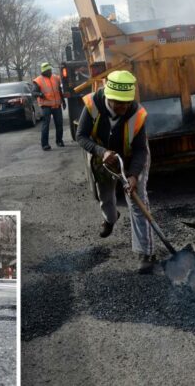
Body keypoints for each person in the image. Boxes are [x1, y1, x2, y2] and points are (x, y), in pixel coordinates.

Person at [76, 70, 156, 274]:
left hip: (132, 156)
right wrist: (101, 152)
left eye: (126, 103)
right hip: (103, 154)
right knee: (105, 194)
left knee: (138, 201)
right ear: (108, 97)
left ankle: (145, 253)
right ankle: (110, 219)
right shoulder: (92, 104)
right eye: (118, 102)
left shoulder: (137, 114)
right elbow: (81, 136)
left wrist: (133, 175)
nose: (123, 107)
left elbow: (140, 149)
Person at [33, 62, 66, 150]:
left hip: (57, 105)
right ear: (43, 72)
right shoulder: (38, 80)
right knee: (46, 125)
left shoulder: (55, 78)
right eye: (47, 71)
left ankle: (59, 141)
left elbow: (59, 90)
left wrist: (63, 102)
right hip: (46, 106)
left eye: (50, 70)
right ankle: (45, 145)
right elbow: (34, 93)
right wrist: (40, 94)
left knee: (59, 124)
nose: (49, 72)